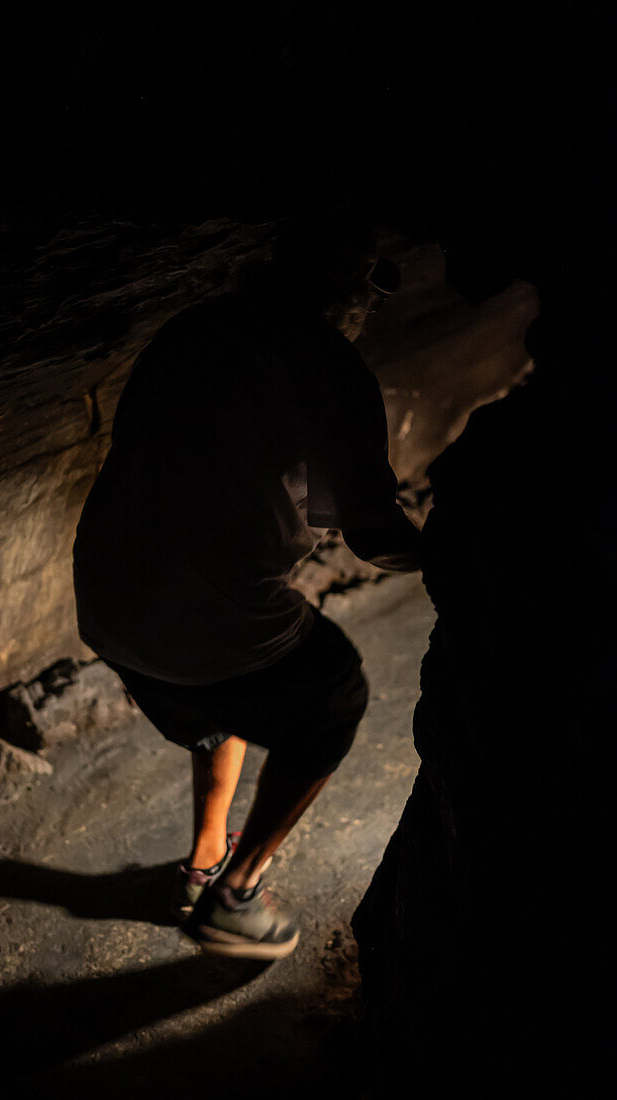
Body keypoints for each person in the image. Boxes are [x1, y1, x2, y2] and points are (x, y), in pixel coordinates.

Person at [72, 208, 421, 960]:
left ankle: (200, 867)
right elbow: (373, 535)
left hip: (102, 595)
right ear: (354, 295)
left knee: (218, 692)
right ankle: (236, 894)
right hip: (205, 611)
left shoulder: (193, 330)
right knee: (333, 691)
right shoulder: (332, 368)